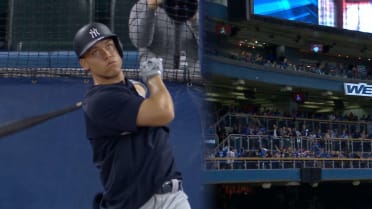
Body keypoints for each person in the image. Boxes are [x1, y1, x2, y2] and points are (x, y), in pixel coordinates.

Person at [73, 22, 191, 209]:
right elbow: (164, 111)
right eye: (95, 52)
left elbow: (138, 92)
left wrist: (141, 88)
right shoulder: (100, 102)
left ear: (118, 48)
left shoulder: (131, 89)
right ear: (84, 63)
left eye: (109, 46)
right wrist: (153, 77)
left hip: (173, 197)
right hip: (135, 203)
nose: (106, 54)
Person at [128, 0, 199, 78]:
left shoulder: (197, 6)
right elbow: (140, 42)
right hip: (155, 79)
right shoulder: (142, 5)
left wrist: (195, 21)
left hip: (191, 80)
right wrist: (150, 10)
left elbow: (209, 48)